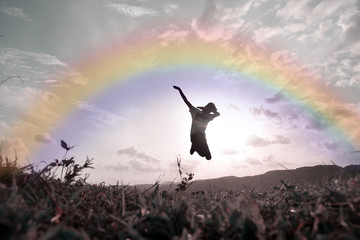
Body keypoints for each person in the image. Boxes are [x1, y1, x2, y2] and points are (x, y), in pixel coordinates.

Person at [173, 86, 220, 160]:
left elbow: (218, 114)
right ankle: (194, 146)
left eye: (210, 111)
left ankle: (194, 147)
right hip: (195, 136)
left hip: (202, 137)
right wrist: (179, 90)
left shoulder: (209, 117)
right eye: (208, 109)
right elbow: (186, 101)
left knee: (208, 157)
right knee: (200, 138)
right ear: (206, 107)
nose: (208, 112)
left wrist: (209, 110)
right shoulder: (195, 111)